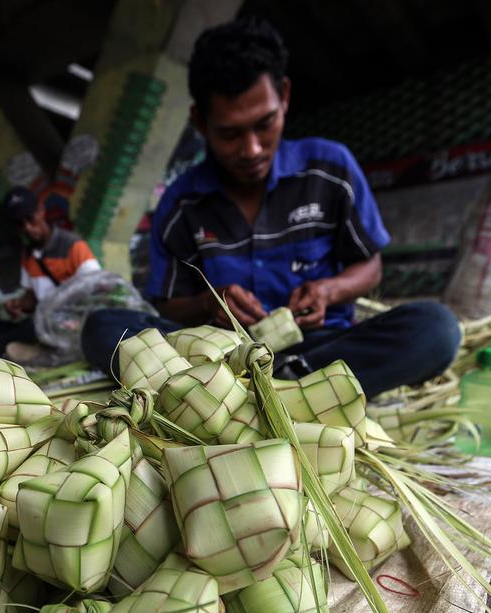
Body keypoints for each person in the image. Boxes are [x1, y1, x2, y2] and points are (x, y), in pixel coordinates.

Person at [80, 17, 461, 398]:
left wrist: (329, 290)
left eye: (265, 124)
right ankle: (296, 394)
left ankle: (256, 392)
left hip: (322, 348)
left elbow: (370, 266)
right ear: (200, 122)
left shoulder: (330, 169)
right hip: (219, 357)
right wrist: (210, 302)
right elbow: (168, 304)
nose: (252, 150)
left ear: (284, 96)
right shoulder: (182, 202)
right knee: (103, 328)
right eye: (229, 133)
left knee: (436, 328)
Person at [0, 186, 101, 356]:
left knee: (10, 338)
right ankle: (27, 346)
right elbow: (32, 299)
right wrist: (17, 304)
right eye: (20, 223)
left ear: (41, 211)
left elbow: (97, 289)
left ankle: (4, 350)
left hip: (71, 322)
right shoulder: (28, 256)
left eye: (30, 219)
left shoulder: (73, 246)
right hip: (42, 321)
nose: (27, 227)